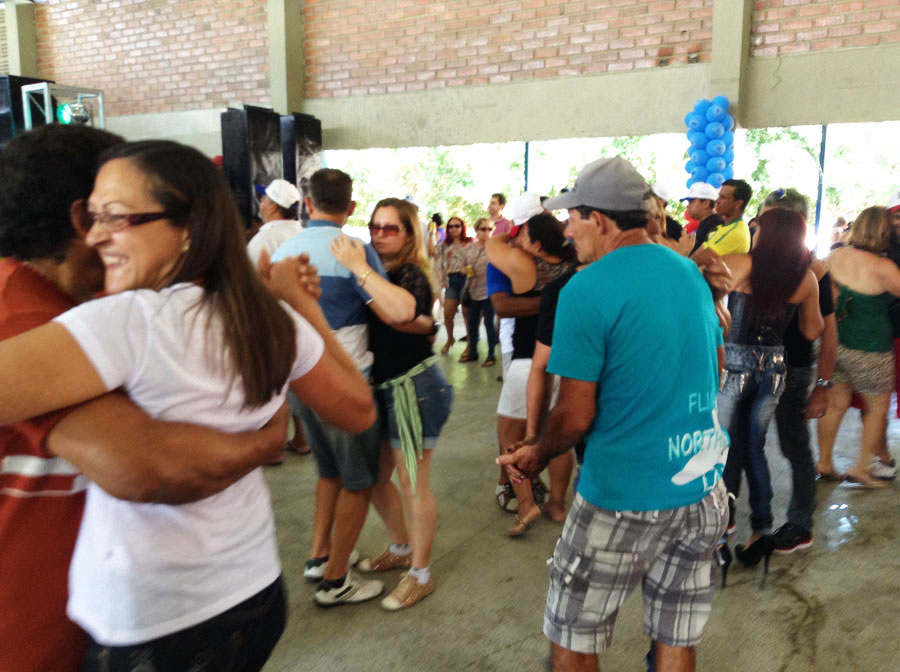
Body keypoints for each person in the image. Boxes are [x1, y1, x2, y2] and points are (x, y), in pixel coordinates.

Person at [0, 139, 376, 670]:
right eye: (94, 217)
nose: (97, 233)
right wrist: (297, 309)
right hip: (249, 590)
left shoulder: (123, 321)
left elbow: (148, 470)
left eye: (114, 217)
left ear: (186, 229)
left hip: (151, 620)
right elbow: (357, 410)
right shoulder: (262, 319)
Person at [500, 157, 728, 672]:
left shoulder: (586, 289)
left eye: (572, 218)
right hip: (700, 488)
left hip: (623, 496)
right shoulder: (689, 273)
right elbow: (716, 369)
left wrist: (536, 451)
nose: (567, 231)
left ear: (599, 219)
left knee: (573, 635)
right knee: (675, 635)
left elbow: (575, 415)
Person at [271, 168, 414, 605]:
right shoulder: (355, 251)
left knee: (328, 472)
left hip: (300, 380)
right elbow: (390, 311)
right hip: (346, 382)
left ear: (307, 204)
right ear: (351, 207)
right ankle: (336, 581)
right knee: (359, 481)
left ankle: (319, 556)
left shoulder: (284, 252)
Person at [331, 198, 453, 610]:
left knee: (414, 484)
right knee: (375, 479)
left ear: (409, 233)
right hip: (384, 388)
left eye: (390, 228)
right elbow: (406, 320)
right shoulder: (377, 270)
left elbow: (402, 311)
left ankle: (420, 575)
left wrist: (358, 267)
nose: (380, 235)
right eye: (375, 227)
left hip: (414, 386)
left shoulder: (408, 272)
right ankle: (402, 548)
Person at [717, 208, 824, 568]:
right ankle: (761, 531)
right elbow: (812, 330)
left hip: (735, 364)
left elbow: (705, 302)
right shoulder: (806, 278)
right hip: (775, 369)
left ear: (765, 233)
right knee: (754, 449)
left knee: (722, 447)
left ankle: (718, 534)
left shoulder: (740, 264)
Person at [487, 207, 576, 537]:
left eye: (524, 234)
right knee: (558, 436)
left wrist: (505, 233)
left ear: (538, 245)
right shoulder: (576, 267)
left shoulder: (526, 268)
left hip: (529, 359)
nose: (519, 238)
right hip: (569, 362)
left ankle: (526, 504)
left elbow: (493, 245)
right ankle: (557, 504)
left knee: (511, 437)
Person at [760, 188, 838, 555]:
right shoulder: (751, 261)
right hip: (750, 368)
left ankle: (801, 523)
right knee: (740, 446)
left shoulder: (814, 269)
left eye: (776, 220)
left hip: (793, 369)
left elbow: (827, 330)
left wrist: (823, 385)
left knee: (794, 447)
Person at [817, 206, 900, 487]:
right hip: (870, 347)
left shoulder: (836, 255)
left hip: (835, 342)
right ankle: (861, 468)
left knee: (835, 403)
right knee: (877, 408)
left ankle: (824, 461)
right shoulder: (882, 266)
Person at [460, 217, 498, 366]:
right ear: (476, 230)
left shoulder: (496, 248)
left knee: (489, 323)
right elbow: (460, 266)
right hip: (473, 290)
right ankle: (473, 352)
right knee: (472, 323)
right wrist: (463, 270)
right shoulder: (468, 249)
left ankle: (491, 354)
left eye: (490, 229)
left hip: (490, 291)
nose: (487, 232)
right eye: (483, 229)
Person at [246, 178, 302, 269]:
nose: (261, 201)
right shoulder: (302, 233)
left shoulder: (262, 240)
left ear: (273, 207)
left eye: (264, 198)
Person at [436, 215, 470, 355]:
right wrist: (441, 279)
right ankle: (450, 339)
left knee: (467, 313)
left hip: (467, 280)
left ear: (462, 227)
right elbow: (438, 263)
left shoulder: (470, 243)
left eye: (457, 226)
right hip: (451, 280)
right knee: (447, 314)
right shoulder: (443, 245)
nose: (453, 229)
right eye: (450, 226)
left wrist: (469, 270)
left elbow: (477, 260)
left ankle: (470, 343)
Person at [684, 182, 724, 254]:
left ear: (706, 203)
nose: (688, 206)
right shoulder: (707, 223)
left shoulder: (716, 224)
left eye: (692, 202)